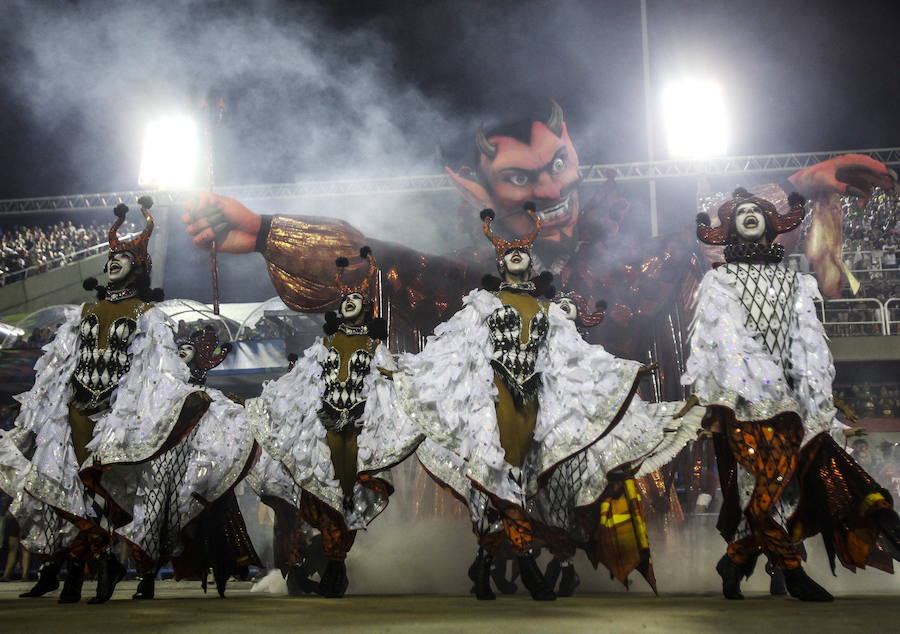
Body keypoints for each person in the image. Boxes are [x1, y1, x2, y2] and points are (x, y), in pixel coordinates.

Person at [396, 204, 700, 601]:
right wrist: (408, 372)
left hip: (535, 408)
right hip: (493, 407)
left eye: (522, 251)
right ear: (501, 263)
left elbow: (578, 355)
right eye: (508, 253)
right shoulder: (482, 306)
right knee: (498, 478)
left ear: (532, 263)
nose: (515, 255)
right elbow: (450, 350)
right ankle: (519, 565)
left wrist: (628, 373)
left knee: (522, 484)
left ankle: (488, 566)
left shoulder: (548, 310)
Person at [678, 188, 900, 602]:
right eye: (740, 211)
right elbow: (720, 342)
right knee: (765, 485)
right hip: (745, 399)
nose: (748, 214)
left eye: (755, 210)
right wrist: (725, 393)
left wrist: (818, 396)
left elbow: (808, 345)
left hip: (790, 404)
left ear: (771, 225)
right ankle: (792, 571)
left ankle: (737, 559)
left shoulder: (797, 281)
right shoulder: (720, 279)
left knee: (769, 488)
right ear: (729, 228)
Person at [0, 198, 211, 604]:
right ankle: (78, 570)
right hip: (77, 408)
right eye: (112, 256)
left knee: (111, 492)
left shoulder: (147, 312)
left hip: (118, 412)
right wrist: (43, 408)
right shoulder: (85, 310)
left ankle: (109, 569)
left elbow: (155, 365)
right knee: (76, 487)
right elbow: (61, 363)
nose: (115, 261)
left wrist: (161, 407)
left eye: (124, 257)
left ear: (140, 267)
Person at [247, 247, 422, 598]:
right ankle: (318, 565)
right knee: (315, 500)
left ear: (365, 308)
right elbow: (298, 385)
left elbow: (391, 382)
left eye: (355, 298)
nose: (347, 303)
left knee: (345, 499)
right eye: (343, 300)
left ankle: (336, 563)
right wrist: (265, 405)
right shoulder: (321, 346)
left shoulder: (375, 347)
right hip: (320, 434)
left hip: (357, 432)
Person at [120, 325, 260, 600]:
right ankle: (146, 578)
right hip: (161, 470)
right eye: (179, 347)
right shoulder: (159, 392)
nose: (182, 350)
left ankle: (219, 569)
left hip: (193, 470)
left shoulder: (210, 397)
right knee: (153, 520)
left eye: (189, 348)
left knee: (203, 517)